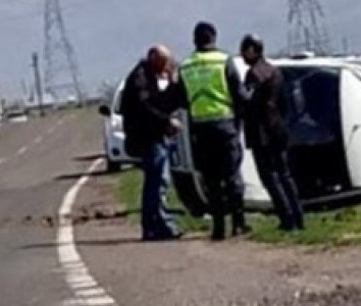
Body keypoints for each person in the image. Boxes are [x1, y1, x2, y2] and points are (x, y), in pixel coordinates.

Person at [176, 21, 249, 240]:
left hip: (200, 129)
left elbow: (182, 99)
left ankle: (218, 228)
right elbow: (239, 94)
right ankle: (239, 222)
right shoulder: (223, 61)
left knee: (212, 180)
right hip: (225, 125)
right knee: (232, 176)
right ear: (214, 38)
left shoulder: (186, 66)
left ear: (195, 40)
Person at [240, 35, 305, 231]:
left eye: (245, 50)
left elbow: (248, 103)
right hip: (278, 129)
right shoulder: (275, 71)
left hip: (262, 133)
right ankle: (298, 218)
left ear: (253, 51)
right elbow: (285, 103)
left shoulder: (254, 75)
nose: (242, 54)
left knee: (270, 177)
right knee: (285, 175)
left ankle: (287, 219)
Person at [119, 45, 183, 241]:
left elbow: (162, 103)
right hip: (146, 138)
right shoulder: (140, 78)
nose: (164, 68)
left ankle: (154, 226)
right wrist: (166, 121)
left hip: (154, 136)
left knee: (158, 182)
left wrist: (173, 84)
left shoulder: (151, 77)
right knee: (157, 183)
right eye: (163, 63)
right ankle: (159, 225)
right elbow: (145, 108)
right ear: (153, 57)